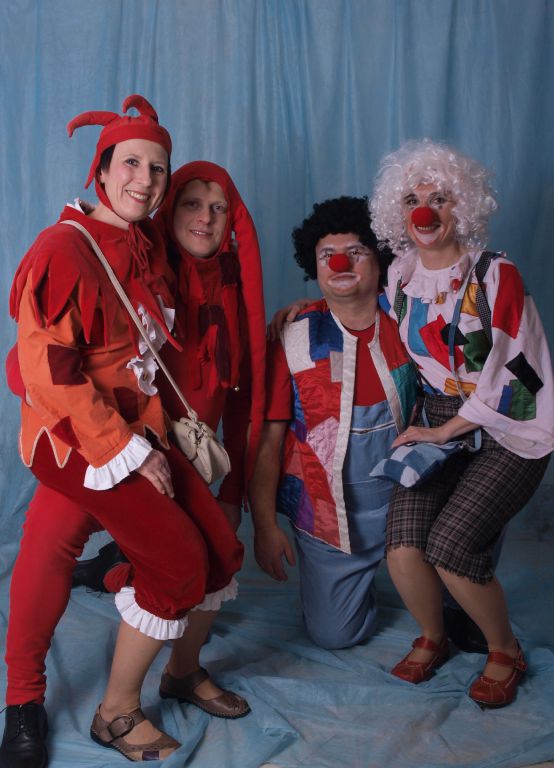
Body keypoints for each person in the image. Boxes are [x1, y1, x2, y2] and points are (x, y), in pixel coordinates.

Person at [0, 97, 248, 768]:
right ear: (102, 171)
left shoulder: (145, 246)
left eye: (157, 168)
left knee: (216, 549)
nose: (144, 180)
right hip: (77, 439)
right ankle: (40, 703)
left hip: (138, 429)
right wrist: (130, 452)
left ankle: (175, 668)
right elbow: (45, 371)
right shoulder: (61, 248)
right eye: (131, 164)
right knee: (141, 556)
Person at [369, 139, 553, 707]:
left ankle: (504, 649)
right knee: (402, 547)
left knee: (450, 546)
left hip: (510, 429)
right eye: (412, 201)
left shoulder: (496, 274)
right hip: (439, 428)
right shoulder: (399, 277)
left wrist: (445, 430)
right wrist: (298, 313)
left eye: (440, 199)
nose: (424, 213)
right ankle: (435, 636)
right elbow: (364, 323)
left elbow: (518, 372)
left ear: (462, 207)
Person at [71, 160, 266, 597]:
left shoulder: (235, 285)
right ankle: (113, 565)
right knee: (175, 566)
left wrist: (232, 492)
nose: (205, 218)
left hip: (194, 462)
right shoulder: (141, 272)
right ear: (170, 207)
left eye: (218, 208)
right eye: (192, 204)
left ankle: (117, 564)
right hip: (131, 449)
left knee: (208, 565)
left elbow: (242, 401)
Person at [249, 197, 419, 649]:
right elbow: (269, 443)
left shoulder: (409, 320)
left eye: (356, 252)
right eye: (328, 255)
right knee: (333, 636)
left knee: (457, 590)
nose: (340, 263)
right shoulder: (292, 336)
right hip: (328, 516)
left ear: (380, 261)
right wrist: (264, 526)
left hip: (410, 502)